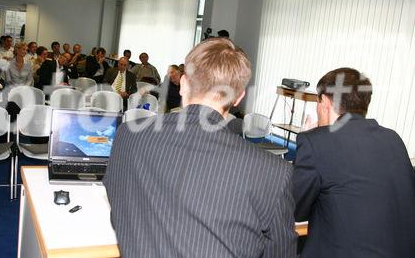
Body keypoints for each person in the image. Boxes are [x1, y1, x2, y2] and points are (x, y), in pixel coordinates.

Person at [104, 38, 296, 257]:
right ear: (238, 97)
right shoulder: (274, 172)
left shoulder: (129, 135)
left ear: (183, 83)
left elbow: (119, 208)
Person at [292, 67, 415, 258]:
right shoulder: (394, 140)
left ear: (324, 101)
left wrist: (310, 138)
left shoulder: (316, 142)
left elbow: (294, 209)